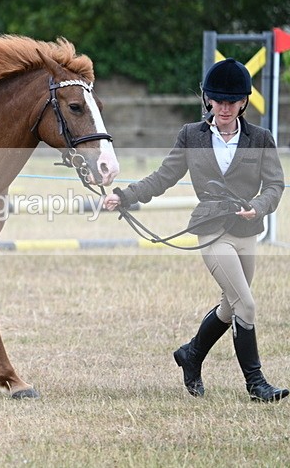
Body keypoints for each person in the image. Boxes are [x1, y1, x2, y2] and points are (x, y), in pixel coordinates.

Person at [103, 58, 288, 402]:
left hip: (247, 231)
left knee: (230, 307)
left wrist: (259, 205)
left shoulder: (261, 138)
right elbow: (163, 177)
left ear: (243, 102)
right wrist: (125, 196)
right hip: (211, 229)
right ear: (208, 100)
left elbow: (275, 185)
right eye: (218, 101)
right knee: (246, 304)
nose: (225, 108)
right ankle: (257, 385)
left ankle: (191, 354)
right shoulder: (191, 135)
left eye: (232, 101)